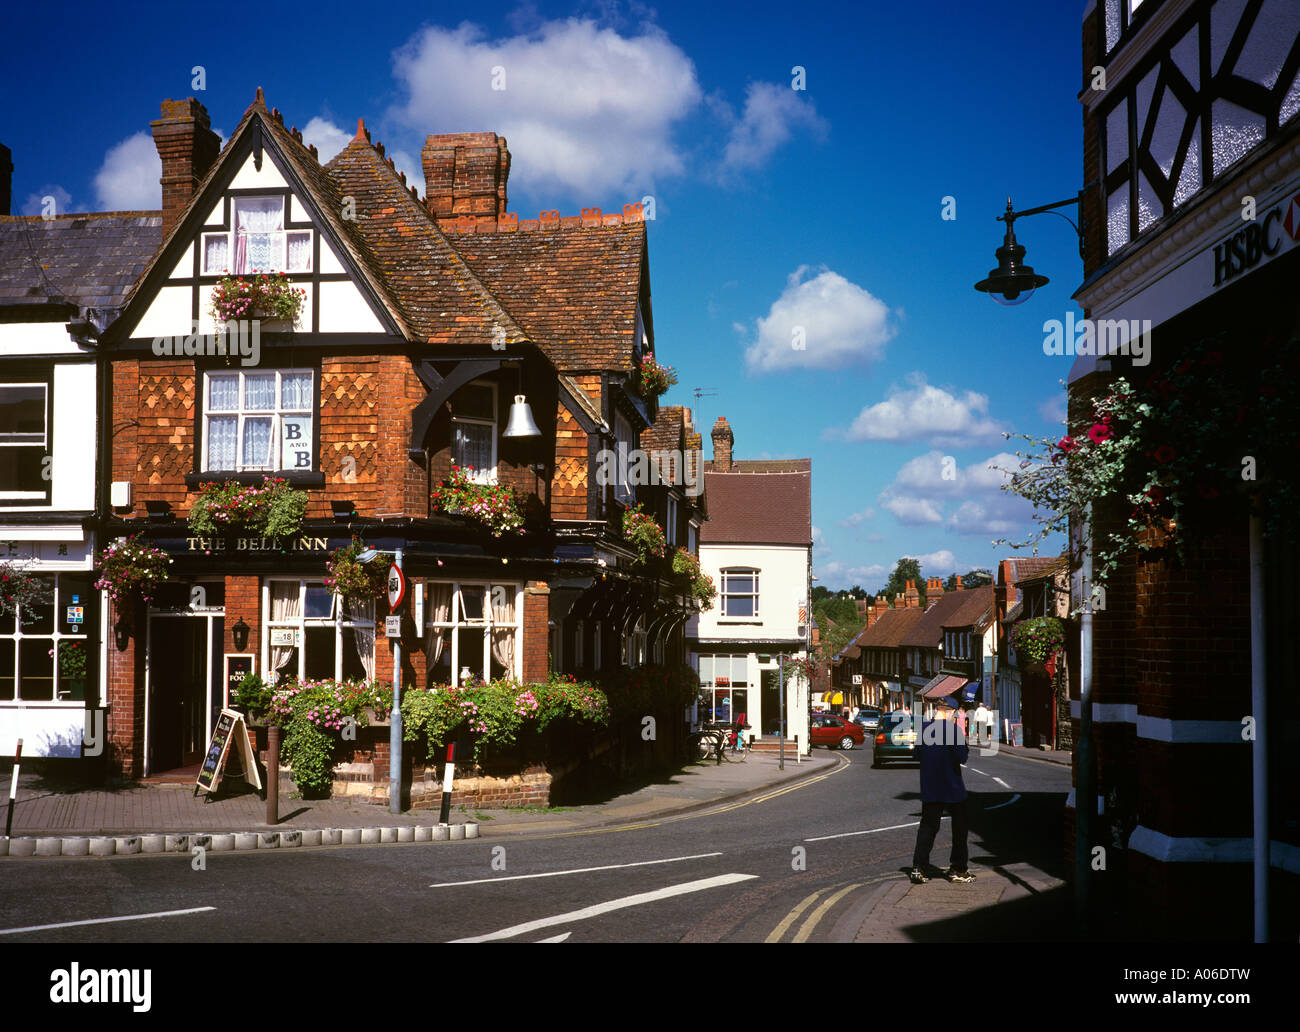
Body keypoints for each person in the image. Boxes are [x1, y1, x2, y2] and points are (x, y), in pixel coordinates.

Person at [908, 696, 974, 884]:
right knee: (960, 828)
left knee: (928, 827)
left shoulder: (924, 730)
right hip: (952, 786)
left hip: (930, 786)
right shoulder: (953, 731)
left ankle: (918, 868)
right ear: (950, 712)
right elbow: (962, 757)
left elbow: (917, 755)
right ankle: (958, 869)